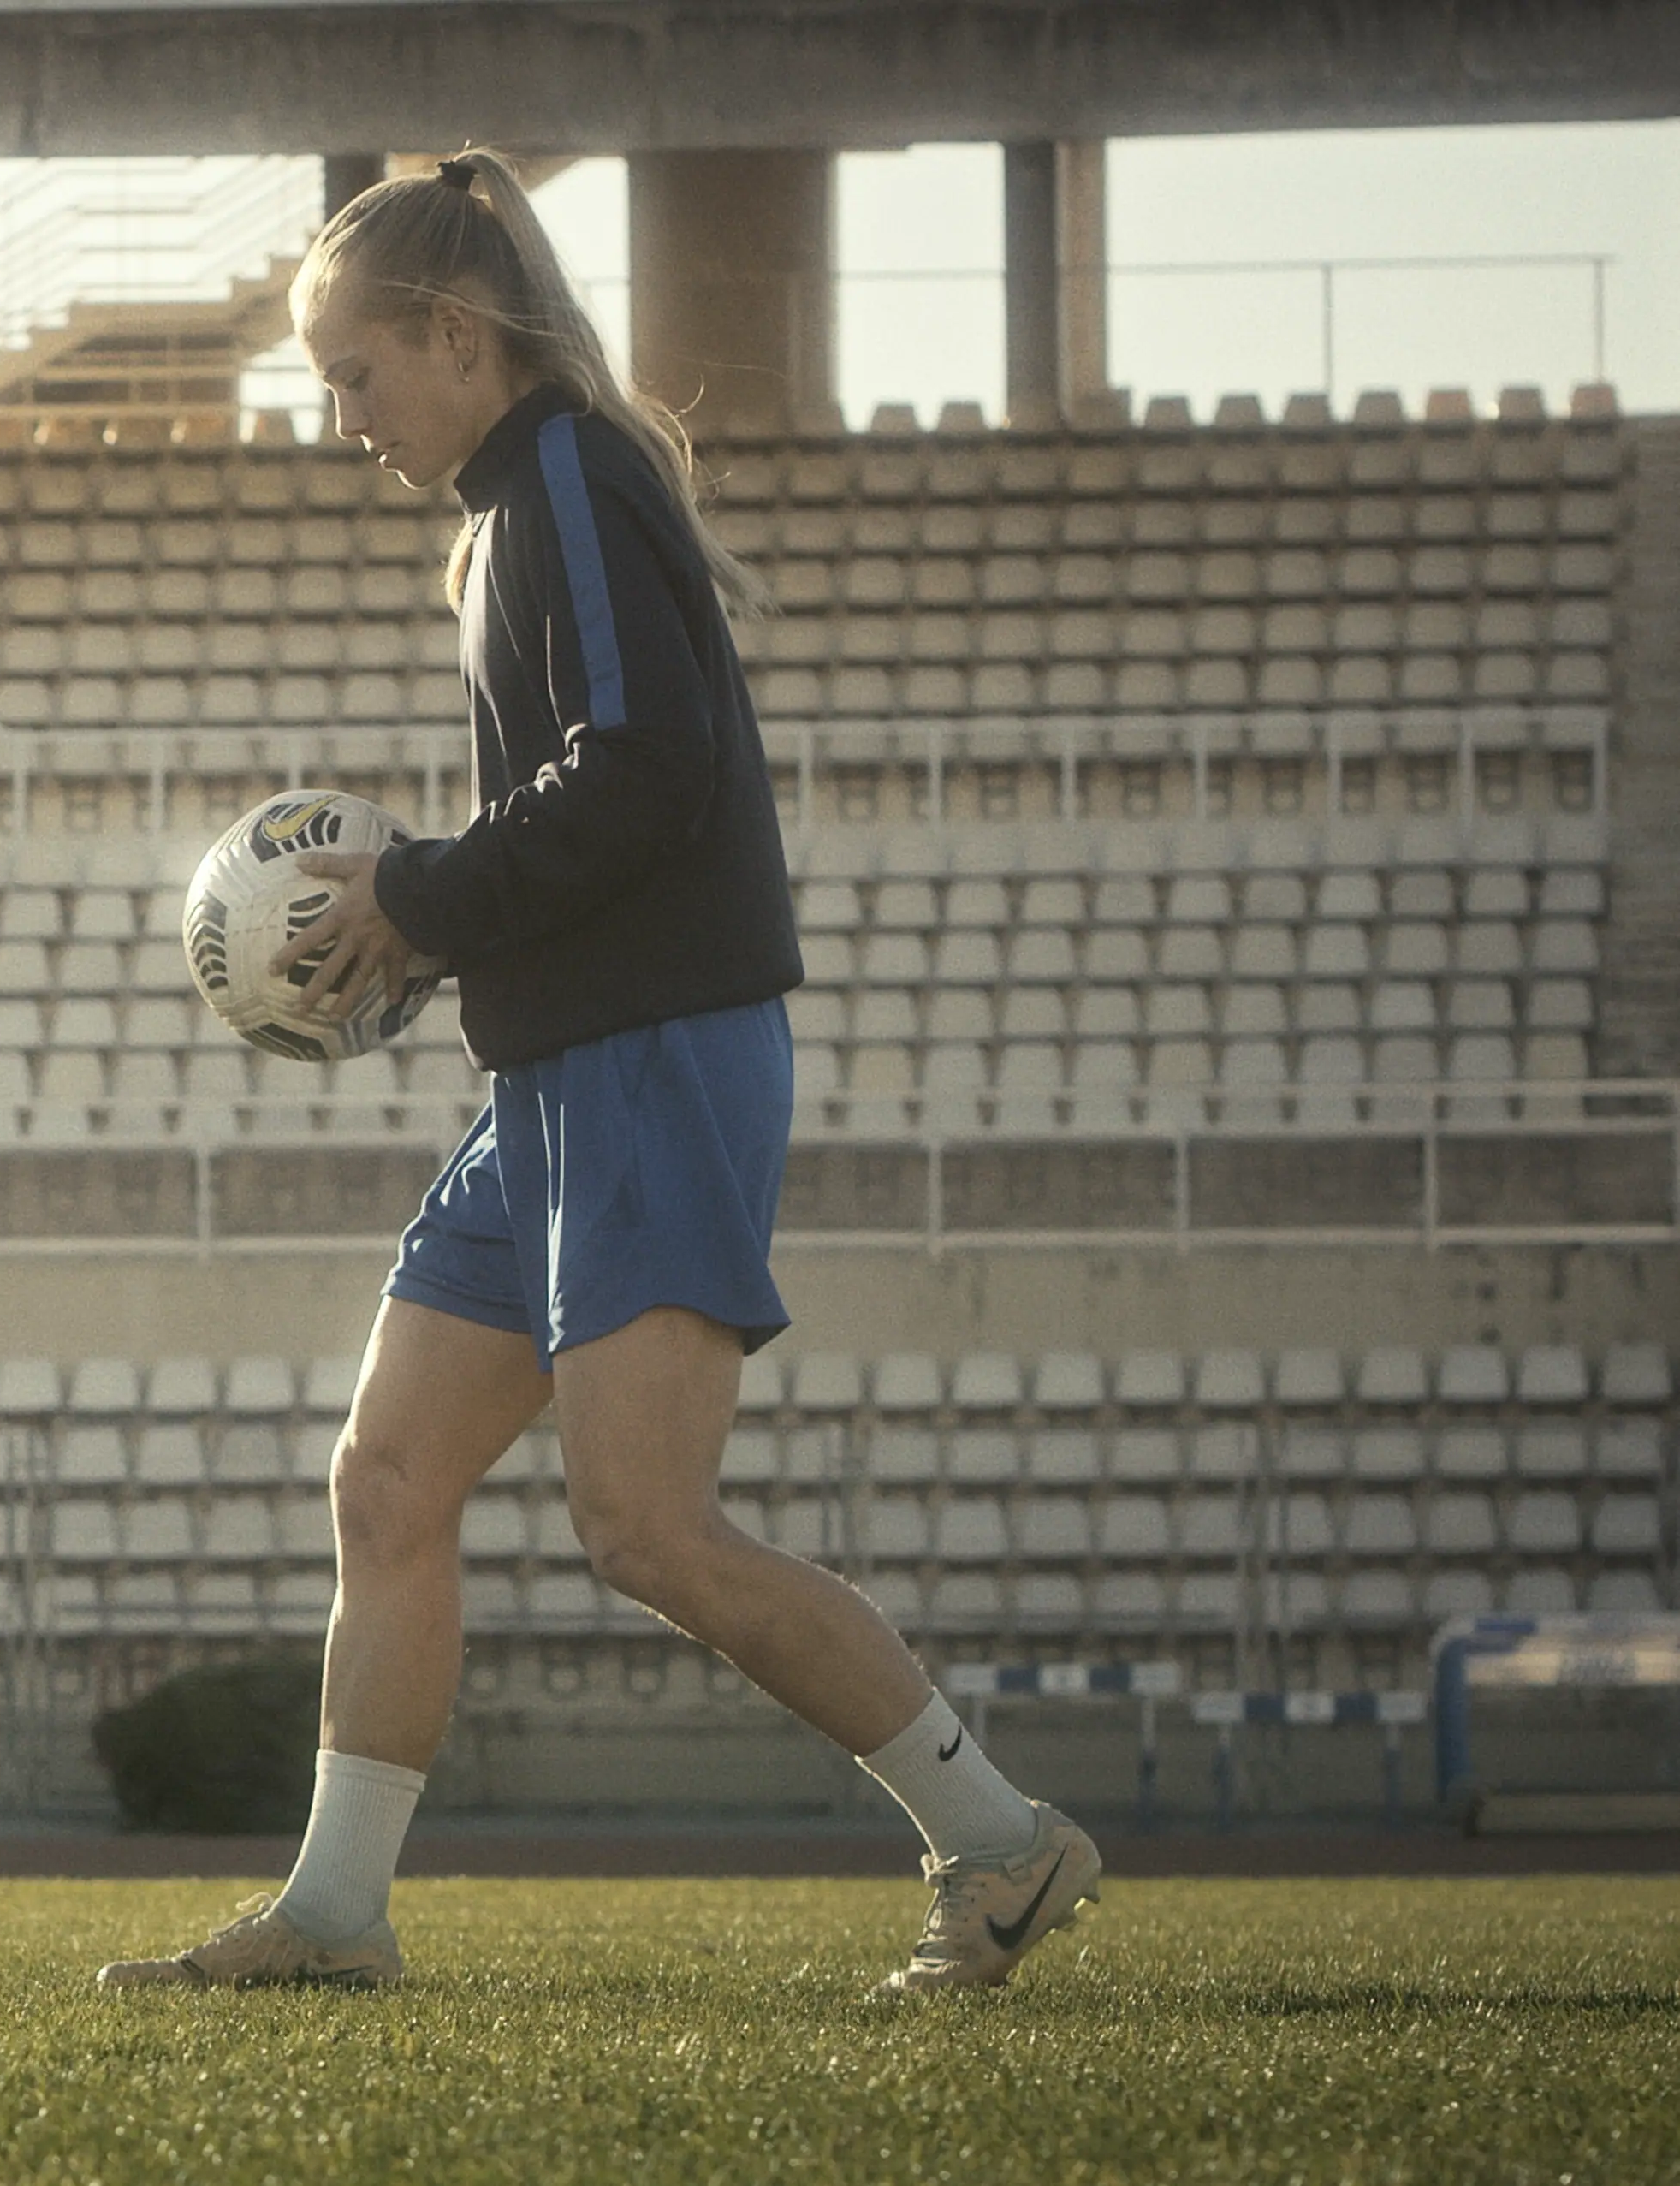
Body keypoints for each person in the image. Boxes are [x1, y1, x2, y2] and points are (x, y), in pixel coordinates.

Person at [98, 151, 1098, 2000]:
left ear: (455, 335)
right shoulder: (504, 503)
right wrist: (435, 911)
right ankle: (333, 1912)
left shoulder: (568, 468)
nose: (344, 418)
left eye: (355, 373)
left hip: (654, 1053)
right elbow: (589, 789)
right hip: (552, 1074)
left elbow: (646, 774)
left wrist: (416, 893)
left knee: (646, 1526)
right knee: (387, 1476)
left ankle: (1001, 1837)